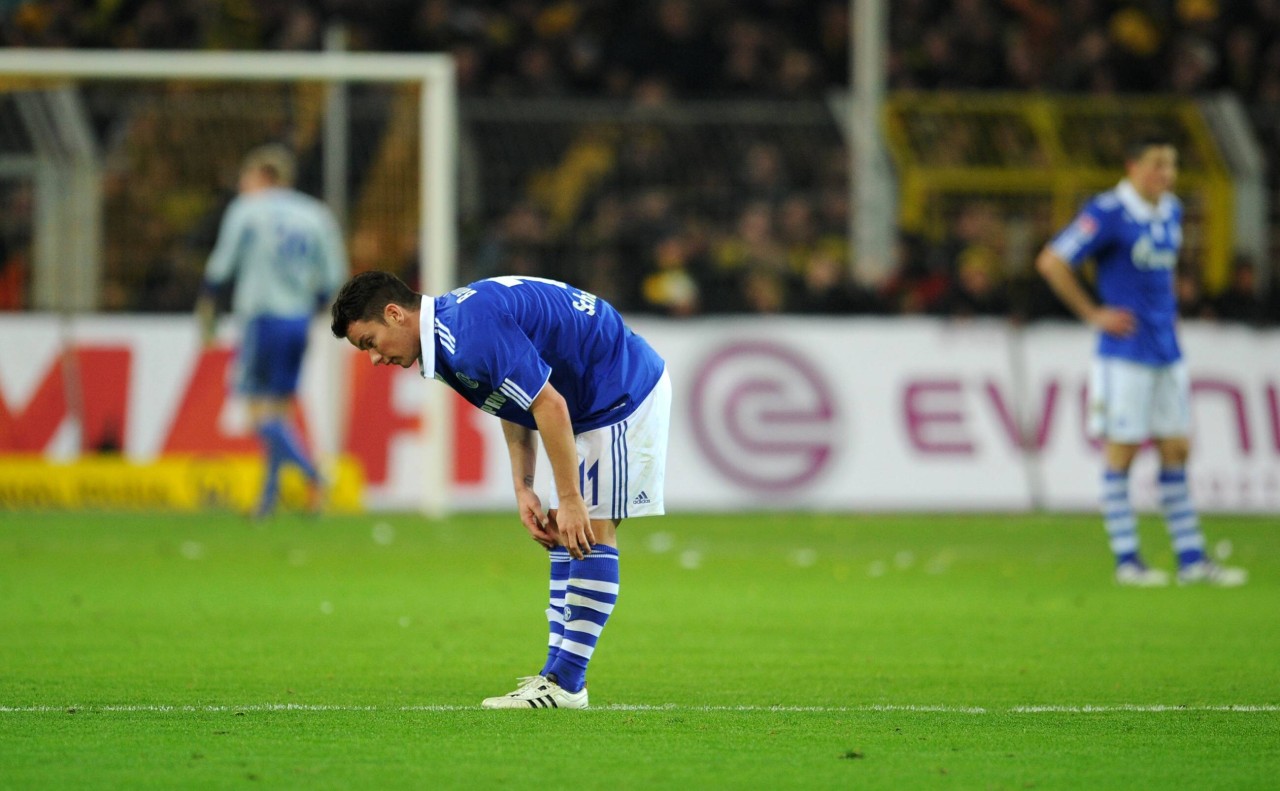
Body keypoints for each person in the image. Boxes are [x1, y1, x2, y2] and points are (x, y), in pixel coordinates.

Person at [330, 271, 671, 709]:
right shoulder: (450, 334)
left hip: (620, 387)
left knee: (590, 528)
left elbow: (548, 404)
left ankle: (567, 684)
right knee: (567, 535)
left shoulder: (466, 335)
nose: (374, 358)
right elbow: (515, 399)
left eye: (369, 342)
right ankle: (556, 676)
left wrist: (569, 499)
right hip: (587, 396)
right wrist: (523, 485)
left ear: (395, 314)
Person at [1035, 135, 1246, 587]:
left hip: (1166, 348)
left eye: (1170, 167)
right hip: (1124, 354)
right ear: (1132, 167)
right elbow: (1052, 261)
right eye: (1156, 166)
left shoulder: (1170, 210)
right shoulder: (1107, 212)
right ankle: (1127, 560)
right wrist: (1093, 313)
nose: (1165, 176)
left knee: (1176, 449)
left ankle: (1191, 560)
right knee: (1123, 451)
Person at [197, 144, 349, 518]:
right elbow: (333, 277)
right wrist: (309, 304)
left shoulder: (248, 210)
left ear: (263, 177)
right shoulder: (316, 214)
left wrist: (208, 305)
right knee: (279, 411)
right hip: (297, 321)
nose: (241, 187)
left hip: (261, 318)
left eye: (245, 179)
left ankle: (313, 474)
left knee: (255, 413)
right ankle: (267, 501)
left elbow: (222, 264)